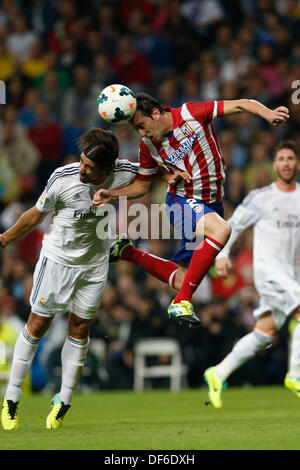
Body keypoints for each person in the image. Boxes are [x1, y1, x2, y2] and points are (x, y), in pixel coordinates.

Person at [93, 92, 289, 327]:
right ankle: (181, 301)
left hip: (212, 203)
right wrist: (112, 194)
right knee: (221, 232)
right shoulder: (148, 147)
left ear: (156, 113)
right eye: (137, 130)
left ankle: (128, 252)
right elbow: (142, 186)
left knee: (185, 278)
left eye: (142, 126)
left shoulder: (191, 114)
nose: (142, 134)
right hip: (181, 202)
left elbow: (240, 103)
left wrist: (268, 113)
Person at [0, 127, 139, 430]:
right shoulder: (62, 178)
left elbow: (148, 177)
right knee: (38, 325)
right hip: (57, 261)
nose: (82, 169)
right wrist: (4, 238)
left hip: (94, 265)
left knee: (80, 328)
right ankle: (11, 398)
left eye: (89, 167)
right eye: (81, 162)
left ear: (107, 170)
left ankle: (63, 400)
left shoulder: (123, 173)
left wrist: (172, 177)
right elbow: (35, 215)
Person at [203, 140, 300, 408]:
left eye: (291, 158)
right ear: (274, 165)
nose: (286, 163)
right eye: (281, 158)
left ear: (297, 164)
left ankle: (218, 373)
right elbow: (232, 226)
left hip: (292, 276)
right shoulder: (261, 197)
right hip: (268, 273)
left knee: (264, 333)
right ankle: (296, 375)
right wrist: (222, 255)